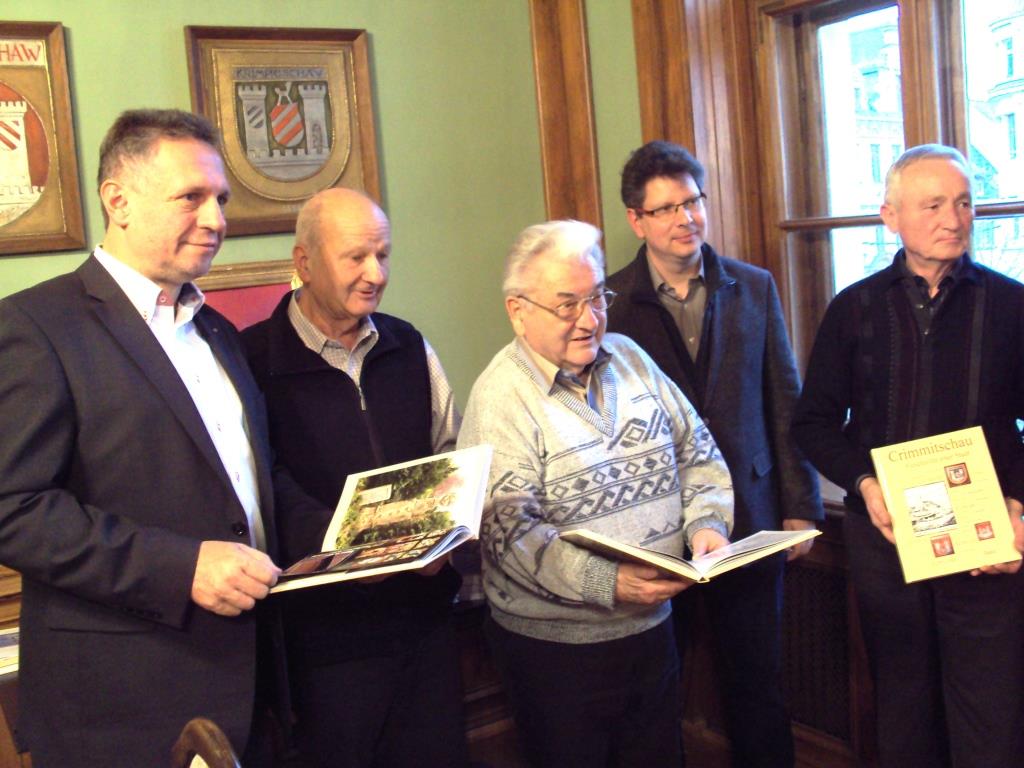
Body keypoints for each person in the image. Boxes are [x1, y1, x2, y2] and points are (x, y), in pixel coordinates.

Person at [0, 109, 282, 767]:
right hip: (119, 710)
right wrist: (181, 567)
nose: (216, 220)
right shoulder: (34, 328)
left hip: (248, 687)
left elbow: (249, 481)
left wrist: (359, 541)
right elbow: (12, 509)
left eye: (221, 200)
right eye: (192, 197)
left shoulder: (215, 330)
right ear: (117, 200)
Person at [457, 219, 734, 767]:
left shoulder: (630, 358)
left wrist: (708, 525)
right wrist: (611, 582)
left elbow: (697, 452)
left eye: (597, 297)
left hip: (652, 629)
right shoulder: (499, 397)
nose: (590, 320)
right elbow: (510, 533)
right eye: (567, 305)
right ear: (518, 311)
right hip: (555, 653)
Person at [792, 144, 1024, 768]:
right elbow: (812, 424)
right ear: (889, 216)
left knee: (992, 717)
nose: (953, 218)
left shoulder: (1011, 305)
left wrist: (1019, 504)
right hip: (887, 541)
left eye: (963, 203)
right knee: (903, 709)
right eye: (932, 205)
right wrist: (864, 484)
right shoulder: (854, 308)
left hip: (986, 541)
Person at [606, 140, 823, 767]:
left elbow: (786, 399)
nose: (686, 218)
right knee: (656, 691)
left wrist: (801, 506)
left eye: (693, 201)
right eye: (667, 208)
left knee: (758, 684)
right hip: (653, 530)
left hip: (753, 520)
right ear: (637, 220)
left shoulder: (753, 287)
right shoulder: (610, 305)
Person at [242, 187, 468, 768]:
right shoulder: (253, 360)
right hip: (325, 642)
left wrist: (452, 533)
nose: (375, 274)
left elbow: (450, 454)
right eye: (355, 257)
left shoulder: (408, 344)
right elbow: (259, 486)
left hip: (425, 623)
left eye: (384, 255)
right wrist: (345, 550)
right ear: (304, 262)